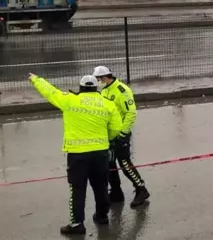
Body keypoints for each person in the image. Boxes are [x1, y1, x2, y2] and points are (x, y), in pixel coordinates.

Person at [29, 73, 122, 236]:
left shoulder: (69, 100)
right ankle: (101, 216)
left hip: (77, 155)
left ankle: (77, 224)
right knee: (101, 186)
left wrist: (37, 80)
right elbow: (116, 128)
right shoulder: (108, 104)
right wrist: (105, 139)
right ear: (96, 88)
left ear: (80, 88)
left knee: (77, 189)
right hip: (100, 153)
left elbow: (50, 92)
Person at [92, 66, 150, 207]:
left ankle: (141, 189)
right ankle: (116, 192)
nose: (98, 82)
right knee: (110, 165)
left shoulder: (122, 91)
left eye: (99, 79)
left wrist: (123, 134)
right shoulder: (105, 90)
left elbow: (131, 113)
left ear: (106, 77)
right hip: (109, 135)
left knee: (125, 164)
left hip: (121, 135)